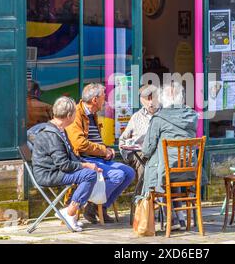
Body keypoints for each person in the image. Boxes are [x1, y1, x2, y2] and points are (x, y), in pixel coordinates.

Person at [66, 83, 135, 224]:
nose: (106, 100)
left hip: (99, 158)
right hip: (84, 160)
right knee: (118, 175)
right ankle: (92, 205)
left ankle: (100, 207)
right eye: (104, 97)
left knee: (129, 173)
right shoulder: (76, 114)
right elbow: (79, 144)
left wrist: (106, 150)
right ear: (95, 100)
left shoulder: (93, 114)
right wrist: (103, 150)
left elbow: (94, 139)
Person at [31, 96, 103, 232]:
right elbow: (64, 165)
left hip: (55, 170)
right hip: (49, 174)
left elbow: (71, 157)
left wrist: (85, 163)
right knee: (89, 175)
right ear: (69, 115)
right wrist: (86, 166)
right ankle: (70, 212)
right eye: (74, 114)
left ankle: (70, 212)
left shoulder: (59, 130)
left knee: (90, 172)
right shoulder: (52, 134)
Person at [141, 82, 198, 231]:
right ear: (181, 97)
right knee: (170, 167)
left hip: (167, 172)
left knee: (160, 170)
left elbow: (146, 150)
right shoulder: (192, 116)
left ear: (162, 99)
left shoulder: (158, 118)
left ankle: (171, 219)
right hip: (190, 171)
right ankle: (180, 218)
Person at [119, 84, 160, 198]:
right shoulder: (136, 117)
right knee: (144, 163)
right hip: (141, 155)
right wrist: (128, 151)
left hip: (161, 156)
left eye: (153, 98)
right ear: (142, 100)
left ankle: (157, 203)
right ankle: (145, 201)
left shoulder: (164, 115)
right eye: (148, 99)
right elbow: (123, 140)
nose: (151, 102)